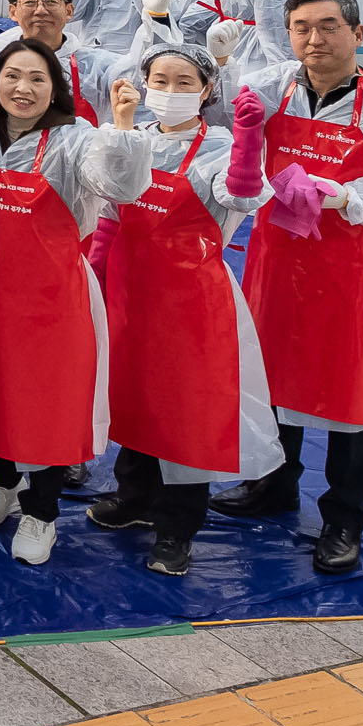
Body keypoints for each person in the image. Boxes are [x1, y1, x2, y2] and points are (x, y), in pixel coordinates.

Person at [211, 0, 363, 574]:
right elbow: (211, 119)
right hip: (277, 263)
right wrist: (218, 62)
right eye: (302, 28)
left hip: (354, 274)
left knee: (351, 397)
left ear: (358, 34)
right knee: (273, 378)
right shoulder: (274, 85)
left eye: (329, 26)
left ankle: (344, 517)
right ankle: (273, 485)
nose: (315, 39)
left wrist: (348, 197)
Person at [89, 45, 282, 576]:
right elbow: (109, 206)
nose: (168, 91)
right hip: (131, 292)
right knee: (134, 395)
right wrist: (99, 273)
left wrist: (248, 146)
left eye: (182, 82)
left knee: (186, 411)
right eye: (159, 79)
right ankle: (135, 498)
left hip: (191, 300)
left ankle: (178, 526)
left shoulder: (219, 145)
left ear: (206, 90)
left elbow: (242, 197)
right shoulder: (138, 136)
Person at [0, 43, 149, 564]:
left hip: (52, 300)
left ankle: (42, 514)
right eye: (12, 76)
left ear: (55, 88)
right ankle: (2, 483)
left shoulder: (73, 139)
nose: (23, 89)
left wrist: (124, 128)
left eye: (37, 79)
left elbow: (119, 185)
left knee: (45, 405)